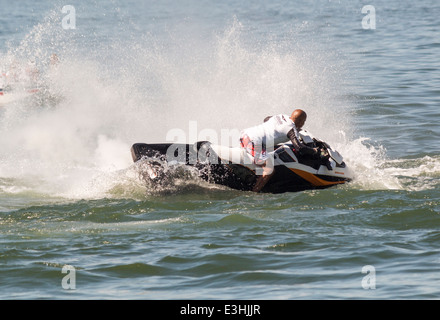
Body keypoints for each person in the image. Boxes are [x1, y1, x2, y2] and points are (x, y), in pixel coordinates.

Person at [240, 109, 326, 192]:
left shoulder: (282, 116)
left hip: (244, 134)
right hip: (252, 142)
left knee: (270, 151)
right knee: (269, 169)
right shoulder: (290, 129)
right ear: (301, 122)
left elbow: (266, 119)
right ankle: (254, 193)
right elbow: (300, 148)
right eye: (304, 121)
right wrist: (315, 151)